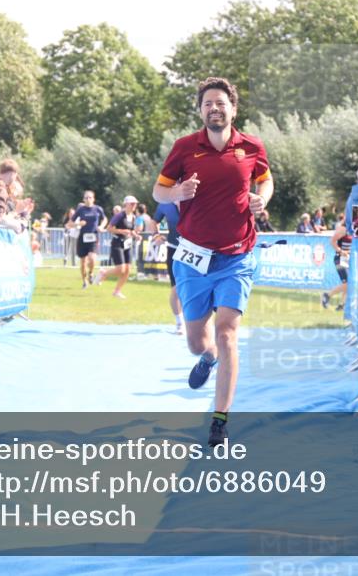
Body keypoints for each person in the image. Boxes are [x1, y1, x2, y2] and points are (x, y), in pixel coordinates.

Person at [152, 76, 273, 447]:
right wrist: (176, 192)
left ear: (233, 108)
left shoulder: (251, 146)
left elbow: (266, 180)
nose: (214, 108)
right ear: (200, 110)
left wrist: (261, 198)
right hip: (193, 257)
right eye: (207, 104)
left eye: (221, 103)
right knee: (198, 341)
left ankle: (220, 420)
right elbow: (158, 189)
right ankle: (207, 358)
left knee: (227, 332)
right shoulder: (185, 147)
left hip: (237, 255)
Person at [96, 195, 140, 298]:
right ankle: (104, 273)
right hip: (117, 243)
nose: (134, 206)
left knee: (128, 270)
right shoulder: (119, 216)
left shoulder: (133, 217)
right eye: (132, 204)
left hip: (127, 244)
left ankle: (117, 291)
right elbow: (109, 228)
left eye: (135, 204)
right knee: (121, 269)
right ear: (126, 204)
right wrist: (121, 231)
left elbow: (131, 230)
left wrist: (136, 235)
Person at [153, 200, 184, 334]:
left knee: (195, 288)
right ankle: (179, 323)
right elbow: (154, 221)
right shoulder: (165, 204)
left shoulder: (194, 199)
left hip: (195, 250)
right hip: (173, 249)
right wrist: (156, 235)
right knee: (176, 289)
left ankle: (194, 321)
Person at [71, 190, 107, 289]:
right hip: (82, 238)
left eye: (90, 197)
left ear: (93, 199)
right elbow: (70, 223)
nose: (88, 199)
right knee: (83, 262)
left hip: (93, 237)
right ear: (83, 199)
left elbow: (105, 219)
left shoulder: (98, 209)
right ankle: (84, 281)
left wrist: (101, 226)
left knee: (92, 258)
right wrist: (78, 224)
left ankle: (91, 273)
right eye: (86, 197)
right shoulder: (81, 210)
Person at [322, 213, 352, 310]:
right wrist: (341, 251)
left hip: (348, 258)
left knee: (348, 283)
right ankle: (327, 295)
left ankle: (342, 304)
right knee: (348, 283)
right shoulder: (343, 229)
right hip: (340, 258)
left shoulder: (352, 230)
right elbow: (332, 241)